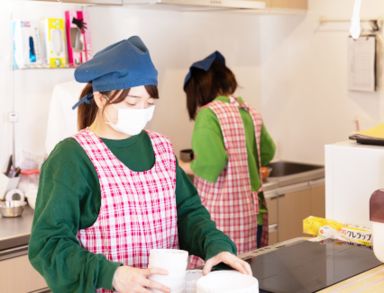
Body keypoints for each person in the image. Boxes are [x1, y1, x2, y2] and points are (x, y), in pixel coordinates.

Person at [28, 37, 252, 293]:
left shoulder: (161, 148)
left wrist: (216, 245)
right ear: (101, 98)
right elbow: (48, 244)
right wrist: (111, 275)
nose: (142, 111)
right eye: (132, 103)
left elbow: (188, 212)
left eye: (149, 104)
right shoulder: (72, 157)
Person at [181, 51, 276, 266]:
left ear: (198, 90)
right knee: (246, 274)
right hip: (254, 213)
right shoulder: (249, 111)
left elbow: (211, 163)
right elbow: (268, 152)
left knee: (221, 278)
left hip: (223, 217)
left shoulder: (209, 114)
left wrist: (186, 165)